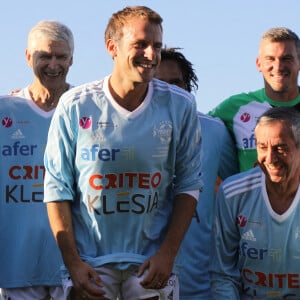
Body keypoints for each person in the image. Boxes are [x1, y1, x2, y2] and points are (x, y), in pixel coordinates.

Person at [43, 6, 202, 300]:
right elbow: (56, 188)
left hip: (150, 260)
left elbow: (190, 184)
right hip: (90, 261)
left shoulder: (179, 105)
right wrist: (73, 263)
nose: (151, 54)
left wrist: (167, 254)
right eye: (140, 44)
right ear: (112, 48)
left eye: (156, 45)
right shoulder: (75, 105)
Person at [155, 47, 239, 299]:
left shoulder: (215, 131)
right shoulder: (129, 130)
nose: (168, 90)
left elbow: (233, 187)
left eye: (175, 83)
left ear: (188, 87)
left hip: (201, 278)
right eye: (159, 83)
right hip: (146, 275)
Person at [0, 20, 74, 300]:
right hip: (17, 268)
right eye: (45, 55)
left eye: (61, 56)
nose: (53, 64)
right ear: (28, 57)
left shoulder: (85, 109)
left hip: (73, 266)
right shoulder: (5, 109)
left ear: (71, 59)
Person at [210, 106, 300, 299]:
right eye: (262, 147)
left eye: (280, 148)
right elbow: (223, 274)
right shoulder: (233, 193)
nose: (270, 158)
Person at [209, 27, 300, 172]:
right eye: (270, 59)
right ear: (259, 64)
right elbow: (195, 129)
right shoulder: (235, 107)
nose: (278, 66)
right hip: (255, 195)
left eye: (286, 59)